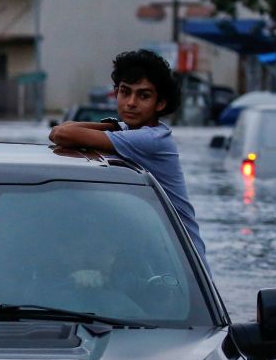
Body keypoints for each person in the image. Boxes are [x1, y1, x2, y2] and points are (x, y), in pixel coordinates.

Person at [48, 49, 207, 264]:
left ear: (161, 103)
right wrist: (114, 126)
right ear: (116, 93)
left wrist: (112, 128)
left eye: (143, 96)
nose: (131, 102)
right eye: (125, 92)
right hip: (158, 249)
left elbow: (62, 134)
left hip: (183, 258)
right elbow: (61, 130)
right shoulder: (131, 132)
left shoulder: (152, 139)